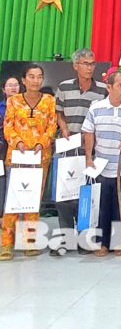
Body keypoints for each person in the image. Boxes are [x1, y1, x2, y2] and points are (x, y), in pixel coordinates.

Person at [82, 71, 121, 257]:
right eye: (120, 85)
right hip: (101, 165)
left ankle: (120, 242)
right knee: (102, 207)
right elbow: (88, 132)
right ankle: (102, 243)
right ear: (109, 87)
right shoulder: (96, 107)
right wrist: (88, 157)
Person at [53, 48, 107, 256]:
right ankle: (66, 238)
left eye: (92, 64)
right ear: (76, 65)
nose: (90, 68)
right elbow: (58, 112)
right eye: (85, 64)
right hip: (67, 146)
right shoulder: (64, 87)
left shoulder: (102, 89)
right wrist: (64, 127)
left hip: (90, 149)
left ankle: (84, 238)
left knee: (87, 193)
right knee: (64, 194)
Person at [0, 65, 57, 260]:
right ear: (23, 80)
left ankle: (29, 241)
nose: (35, 80)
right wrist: (19, 142)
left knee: (33, 199)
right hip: (17, 156)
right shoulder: (14, 101)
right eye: (31, 77)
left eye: (39, 77)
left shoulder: (49, 100)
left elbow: (52, 126)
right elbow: (8, 126)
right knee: (13, 199)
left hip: (40, 157)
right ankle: (6, 244)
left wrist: (42, 143)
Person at [0, 76, 20, 219]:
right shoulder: (1, 107)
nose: (13, 87)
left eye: (16, 85)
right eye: (10, 85)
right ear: (3, 89)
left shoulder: (24, 106)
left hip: (19, 149)